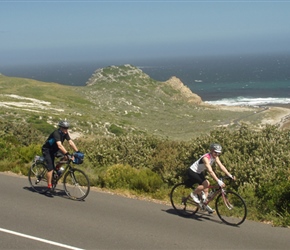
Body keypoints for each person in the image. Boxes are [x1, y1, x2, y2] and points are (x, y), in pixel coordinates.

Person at [187, 143, 235, 213]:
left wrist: (230, 175)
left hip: (199, 172)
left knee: (206, 190)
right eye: (215, 152)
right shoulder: (206, 158)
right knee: (206, 184)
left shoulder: (215, 157)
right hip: (192, 171)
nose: (217, 154)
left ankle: (204, 205)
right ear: (211, 150)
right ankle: (193, 194)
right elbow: (210, 171)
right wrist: (218, 181)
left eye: (218, 153)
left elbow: (221, 166)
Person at [42, 120, 79, 190]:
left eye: (67, 128)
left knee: (65, 157)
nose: (66, 130)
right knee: (50, 169)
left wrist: (77, 151)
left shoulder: (65, 133)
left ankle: (57, 168)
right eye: (65, 128)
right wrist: (67, 153)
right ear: (61, 128)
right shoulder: (56, 133)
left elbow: (70, 142)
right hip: (47, 150)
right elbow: (59, 145)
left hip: (55, 150)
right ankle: (49, 185)